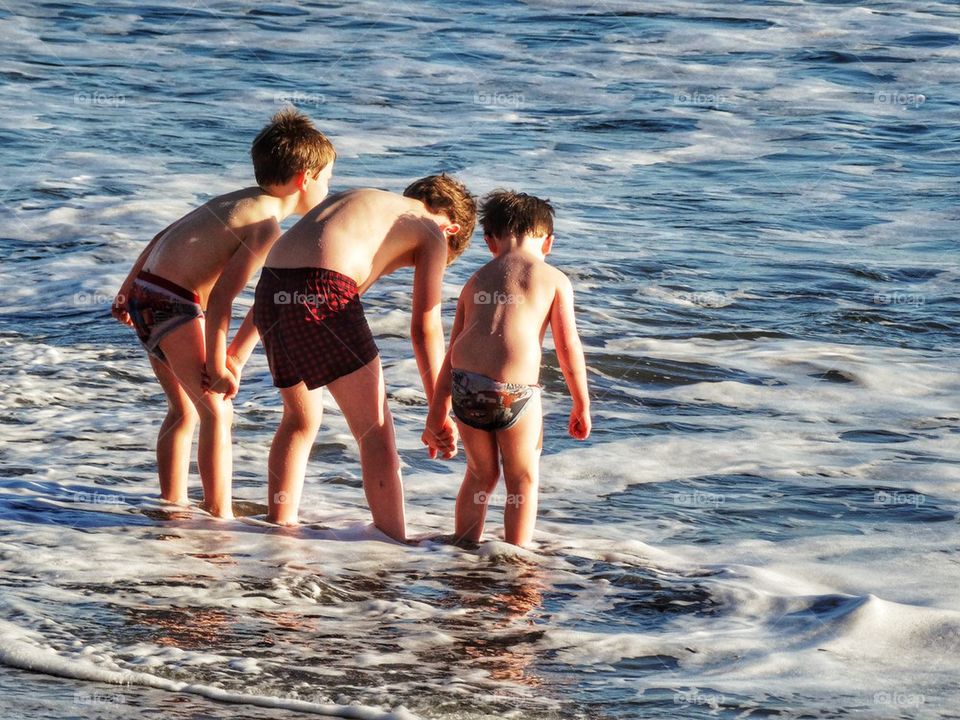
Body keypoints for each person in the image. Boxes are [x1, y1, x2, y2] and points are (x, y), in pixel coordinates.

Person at [223, 174, 476, 540]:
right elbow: (424, 329)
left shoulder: (362, 201)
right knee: (375, 433)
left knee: (300, 418)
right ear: (450, 228)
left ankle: (279, 528)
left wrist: (237, 353)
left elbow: (285, 282)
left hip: (271, 292)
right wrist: (438, 409)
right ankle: (393, 543)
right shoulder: (430, 229)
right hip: (324, 290)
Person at [111, 109, 336, 519]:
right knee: (216, 409)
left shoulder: (235, 200)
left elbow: (163, 234)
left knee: (183, 409)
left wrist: (128, 287)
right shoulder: (267, 226)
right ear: (305, 178)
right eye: (327, 179)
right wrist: (219, 361)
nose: (328, 188)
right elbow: (222, 301)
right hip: (173, 304)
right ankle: (219, 516)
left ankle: (172, 503)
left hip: (148, 292)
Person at [423, 190, 591, 546]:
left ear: (489, 242)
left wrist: (437, 412)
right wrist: (581, 403)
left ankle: (464, 546)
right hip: (515, 393)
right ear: (548, 242)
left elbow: (452, 352)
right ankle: (514, 559)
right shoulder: (553, 278)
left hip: (466, 388)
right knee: (522, 479)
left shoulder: (474, 282)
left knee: (480, 474)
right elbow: (567, 347)